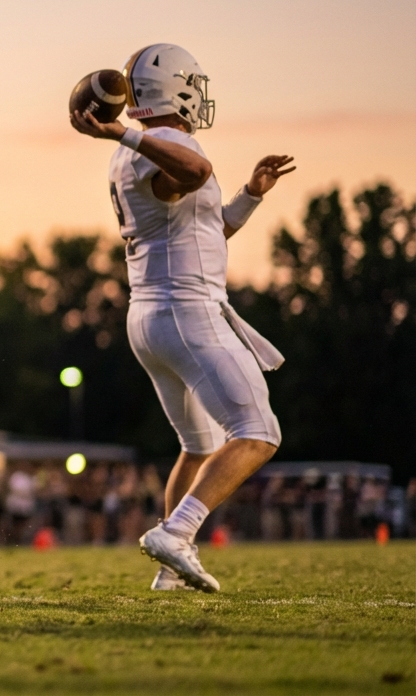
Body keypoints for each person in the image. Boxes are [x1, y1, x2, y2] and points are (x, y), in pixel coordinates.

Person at [72, 43, 293, 592]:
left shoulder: (138, 152)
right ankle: (177, 533)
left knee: (198, 446)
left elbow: (203, 233)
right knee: (259, 433)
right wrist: (122, 129)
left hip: (148, 315)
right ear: (177, 87)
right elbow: (196, 169)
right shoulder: (162, 142)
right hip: (185, 311)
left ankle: (171, 567)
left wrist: (250, 196)